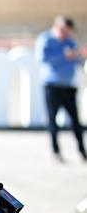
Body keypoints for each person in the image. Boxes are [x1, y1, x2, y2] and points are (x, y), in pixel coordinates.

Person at [35, 16, 85, 162]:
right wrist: (63, 55)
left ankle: (82, 151)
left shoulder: (70, 41)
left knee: (76, 121)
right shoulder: (46, 40)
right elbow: (42, 59)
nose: (67, 35)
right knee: (53, 121)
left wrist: (76, 57)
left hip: (68, 86)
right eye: (65, 31)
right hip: (52, 86)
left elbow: (75, 60)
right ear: (58, 27)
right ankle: (56, 151)